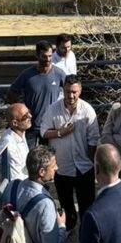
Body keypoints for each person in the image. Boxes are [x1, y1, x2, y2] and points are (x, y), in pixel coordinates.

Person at [1, 146, 67, 243]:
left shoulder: (12, 187)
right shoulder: (45, 205)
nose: (57, 168)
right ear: (41, 172)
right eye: (54, 165)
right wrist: (61, 226)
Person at [40, 74, 98, 231]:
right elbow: (44, 132)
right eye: (67, 92)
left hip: (84, 168)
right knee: (66, 206)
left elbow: (93, 141)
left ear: (80, 91)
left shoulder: (88, 111)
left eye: (74, 92)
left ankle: (86, 233)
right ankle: (68, 230)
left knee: (87, 206)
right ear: (62, 90)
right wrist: (60, 132)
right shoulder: (53, 109)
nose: (70, 96)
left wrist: (92, 165)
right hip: (62, 167)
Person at [8, 40, 67, 148]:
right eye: (44, 56)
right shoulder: (27, 74)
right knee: (28, 159)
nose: (48, 60)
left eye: (50, 56)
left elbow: (70, 90)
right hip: (30, 126)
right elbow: (12, 91)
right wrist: (19, 111)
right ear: (37, 55)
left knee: (49, 159)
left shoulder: (59, 74)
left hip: (51, 126)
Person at [3, 103, 31, 180]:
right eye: (26, 116)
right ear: (15, 123)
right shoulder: (10, 145)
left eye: (29, 112)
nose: (30, 116)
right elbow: (15, 178)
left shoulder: (19, 132)